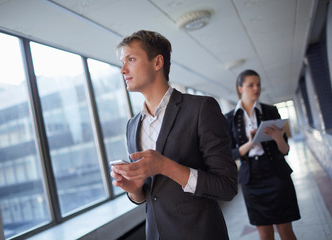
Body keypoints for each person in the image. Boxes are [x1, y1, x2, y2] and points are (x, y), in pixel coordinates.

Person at [110, 30, 238, 240]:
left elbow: (227, 186)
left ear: (157, 62)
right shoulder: (132, 126)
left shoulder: (201, 108)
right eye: (122, 62)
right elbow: (149, 196)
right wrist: (134, 190)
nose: (123, 69)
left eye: (131, 59)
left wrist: (165, 166)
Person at [225, 69, 300, 240]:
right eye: (250, 85)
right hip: (252, 178)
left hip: (277, 174)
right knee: (264, 233)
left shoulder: (270, 111)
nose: (256, 88)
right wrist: (251, 143)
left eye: (258, 84)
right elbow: (229, 154)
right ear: (240, 88)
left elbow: (285, 150)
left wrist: (277, 137)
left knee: (285, 229)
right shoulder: (229, 118)